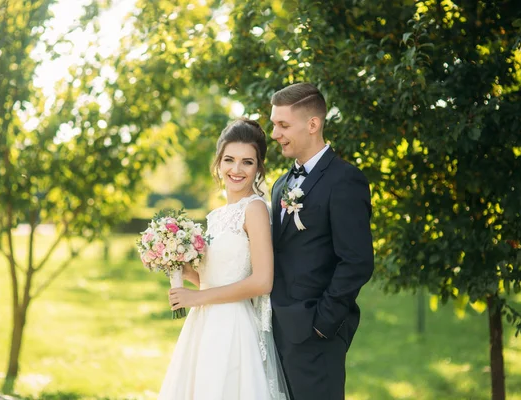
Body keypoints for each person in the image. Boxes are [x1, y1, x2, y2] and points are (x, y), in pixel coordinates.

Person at [159, 118, 290, 400]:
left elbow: (262, 281)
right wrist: (173, 259)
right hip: (204, 324)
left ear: (258, 167)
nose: (236, 169)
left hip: (233, 326)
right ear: (219, 162)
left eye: (247, 162)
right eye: (229, 159)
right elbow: (210, 277)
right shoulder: (215, 216)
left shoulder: (254, 209)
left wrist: (196, 298)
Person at [269, 83, 374, 400]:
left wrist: (322, 324)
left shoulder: (345, 180)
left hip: (316, 334)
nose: (275, 134)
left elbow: (357, 261)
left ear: (312, 124)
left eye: (283, 125)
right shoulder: (281, 185)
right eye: (274, 124)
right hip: (276, 331)